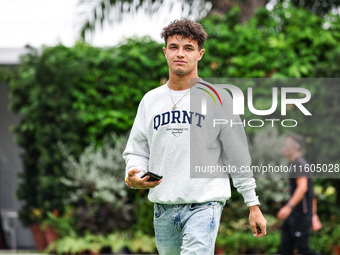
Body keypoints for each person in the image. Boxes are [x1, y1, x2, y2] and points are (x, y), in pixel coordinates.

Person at [123, 19, 267, 255]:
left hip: (204, 205)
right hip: (163, 207)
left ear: (199, 54)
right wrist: (135, 173)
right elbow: (137, 150)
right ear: (165, 52)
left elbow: (238, 157)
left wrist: (253, 205)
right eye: (174, 47)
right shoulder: (150, 100)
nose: (180, 54)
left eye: (188, 48)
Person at [278, 134, 320, 255]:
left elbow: (303, 188)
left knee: (304, 249)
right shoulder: (297, 164)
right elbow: (311, 194)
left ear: (295, 148)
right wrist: (314, 215)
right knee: (285, 248)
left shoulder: (299, 165)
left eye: (286, 146)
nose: (283, 149)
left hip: (300, 216)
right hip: (294, 215)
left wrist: (288, 207)